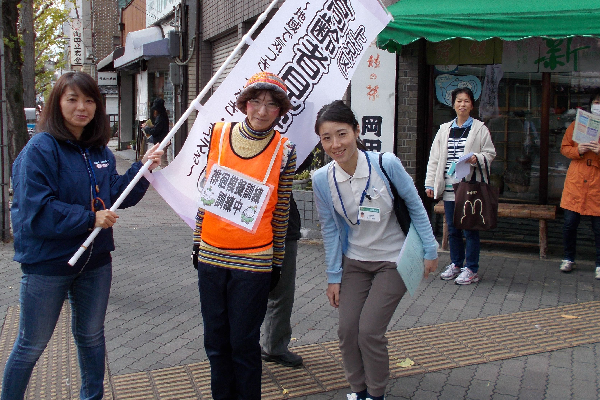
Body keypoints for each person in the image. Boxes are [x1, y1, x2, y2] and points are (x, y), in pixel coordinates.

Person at [1, 71, 163, 400]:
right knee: (31, 345)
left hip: (95, 260)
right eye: (72, 99)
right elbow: (37, 210)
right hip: (47, 264)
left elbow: (117, 195)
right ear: (57, 103)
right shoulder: (40, 149)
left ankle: (92, 396)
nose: (82, 107)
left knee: (91, 337)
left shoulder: (98, 150)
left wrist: (142, 168)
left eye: (90, 100)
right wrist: (90, 218)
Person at [311, 100, 438, 400]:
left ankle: (376, 394)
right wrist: (333, 276)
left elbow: (416, 206)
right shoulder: (322, 179)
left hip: (393, 260)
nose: (335, 144)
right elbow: (329, 229)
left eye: (341, 134)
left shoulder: (385, 164)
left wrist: (430, 250)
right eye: (326, 138)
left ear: (356, 131)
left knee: (369, 332)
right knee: (347, 333)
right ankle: (359, 391)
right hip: (354, 263)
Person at [192, 71, 296, 400]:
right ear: (245, 103)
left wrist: (277, 262)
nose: (262, 111)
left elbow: (280, 212)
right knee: (216, 343)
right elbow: (208, 194)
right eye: (256, 102)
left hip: (254, 262)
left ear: (280, 111)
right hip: (211, 255)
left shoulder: (285, 150)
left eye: (271, 105)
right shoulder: (218, 134)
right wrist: (197, 242)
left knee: (244, 345)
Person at [425, 87, 496, 285]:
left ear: (472, 105)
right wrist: (430, 183)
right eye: (458, 101)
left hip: (469, 187)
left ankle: (472, 268)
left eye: (466, 101)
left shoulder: (480, 129)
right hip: (449, 187)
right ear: (453, 104)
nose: (462, 104)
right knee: (453, 228)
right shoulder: (444, 129)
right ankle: (456, 263)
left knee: (470, 228)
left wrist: (476, 158)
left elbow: (490, 154)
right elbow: (435, 159)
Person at [558, 90, 600, 279]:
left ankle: (599, 263)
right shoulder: (578, 125)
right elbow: (564, 148)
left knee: (598, 227)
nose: (597, 106)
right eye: (596, 102)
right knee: (569, 224)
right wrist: (579, 150)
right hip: (576, 179)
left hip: (597, 182)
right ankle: (568, 258)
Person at [260, 193, 303, 367]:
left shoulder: (284, 165)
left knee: (281, 292)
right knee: (277, 294)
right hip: (250, 231)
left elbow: (300, 165)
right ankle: (248, 351)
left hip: (282, 229)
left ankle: (273, 346)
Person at [141, 98, 169, 167]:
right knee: (161, 159)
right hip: (162, 141)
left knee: (163, 161)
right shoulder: (163, 116)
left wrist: (146, 128)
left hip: (161, 141)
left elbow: (155, 131)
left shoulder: (160, 117)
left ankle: (166, 175)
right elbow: (157, 128)